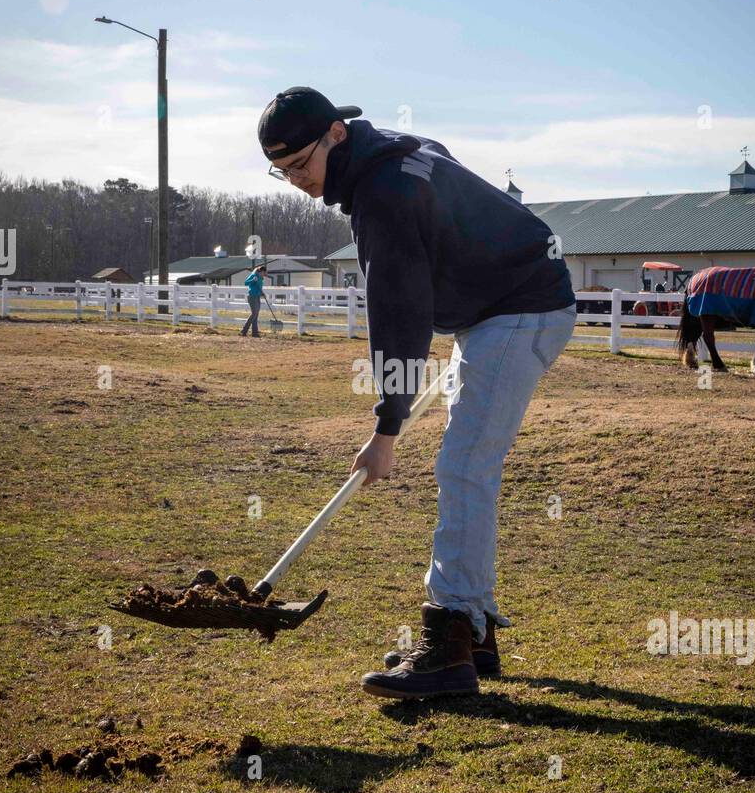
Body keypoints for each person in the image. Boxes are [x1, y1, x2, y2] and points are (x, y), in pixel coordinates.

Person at [257, 86, 576, 701]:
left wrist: (386, 429)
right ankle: (474, 634)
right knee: (468, 464)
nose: (297, 180)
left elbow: (399, 318)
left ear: (338, 135)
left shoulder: (383, 197)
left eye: (301, 163)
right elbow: (439, 158)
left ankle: (449, 640)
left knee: (465, 465)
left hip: (520, 308)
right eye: (283, 170)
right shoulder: (398, 155)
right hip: (494, 311)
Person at [241, 264, 265, 337]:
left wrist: (262, 293)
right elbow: (246, 283)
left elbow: (258, 287)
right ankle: (244, 330)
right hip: (252, 296)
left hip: (257, 297)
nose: (264, 274)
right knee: (254, 313)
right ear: (260, 271)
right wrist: (252, 280)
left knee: (256, 315)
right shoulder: (253, 276)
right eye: (263, 272)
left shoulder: (261, 278)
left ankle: (254, 332)